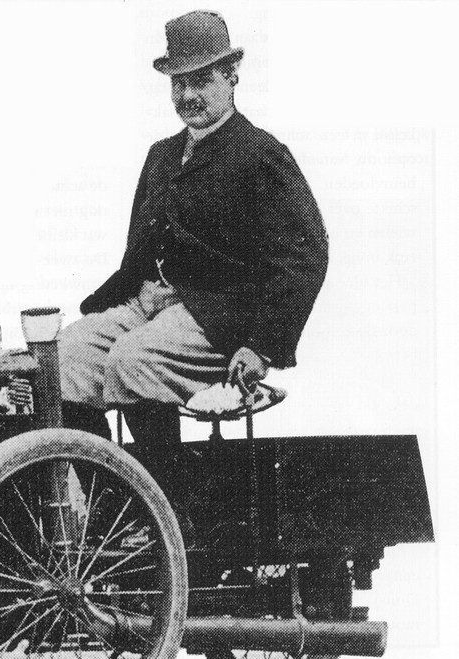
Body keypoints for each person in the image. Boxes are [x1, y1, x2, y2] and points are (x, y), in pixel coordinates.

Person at [58, 10, 328, 451]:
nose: (188, 95)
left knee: (133, 360)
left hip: (221, 315)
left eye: (201, 81)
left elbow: (306, 257)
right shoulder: (161, 155)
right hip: (149, 305)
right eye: (178, 84)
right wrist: (131, 296)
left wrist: (262, 347)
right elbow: (139, 248)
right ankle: (105, 483)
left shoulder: (260, 154)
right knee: (66, 356)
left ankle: (163, 489)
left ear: (232, 75)